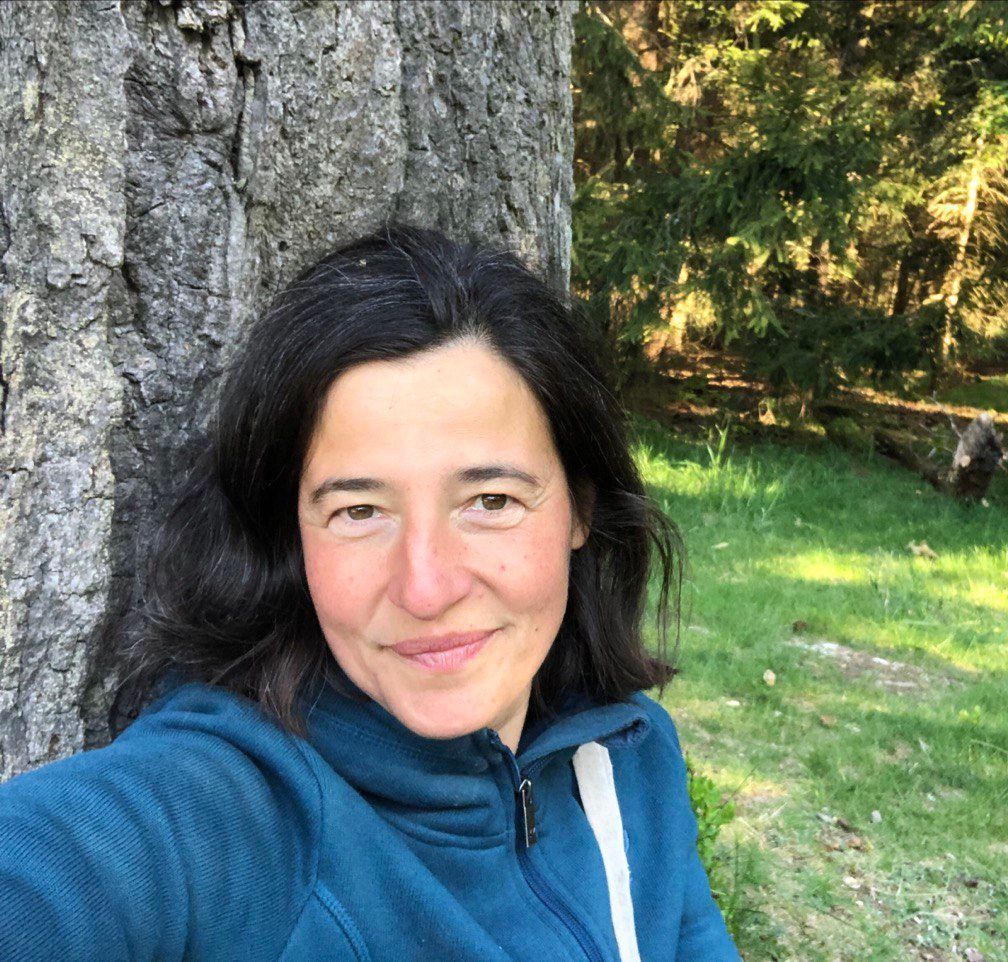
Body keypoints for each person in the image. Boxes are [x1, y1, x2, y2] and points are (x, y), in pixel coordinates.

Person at [0, 223, 741, 961]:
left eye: (491, 500)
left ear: (580, 507)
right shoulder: (229, 806)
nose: (426, 588)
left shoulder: (631, 757)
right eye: (359, 512)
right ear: (292, 536)